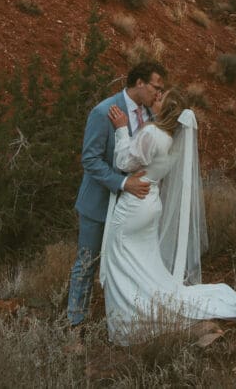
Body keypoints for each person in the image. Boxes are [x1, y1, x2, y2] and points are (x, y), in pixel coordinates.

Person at [100, 88, 236, 345]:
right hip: (151, 201)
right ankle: (143, 309)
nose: (155, 98)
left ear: (167, 109)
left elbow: (123, 163)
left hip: (135, 205)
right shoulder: (172, 140)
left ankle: (128, 322)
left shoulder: (151, 133)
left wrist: (121, 129)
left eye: (160, 99)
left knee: (120, 260)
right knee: (145, 262)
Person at [67, 61, 168, 333]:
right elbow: (90, 159)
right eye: (156, 88)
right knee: (87, 263)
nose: (159, 94)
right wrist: (124, 183)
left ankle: (126, 318)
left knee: (125, 264)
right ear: (139, 83)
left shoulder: (151, 114)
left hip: (129, 210)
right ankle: (75, 326)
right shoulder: (104, 112)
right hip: (99, 204)